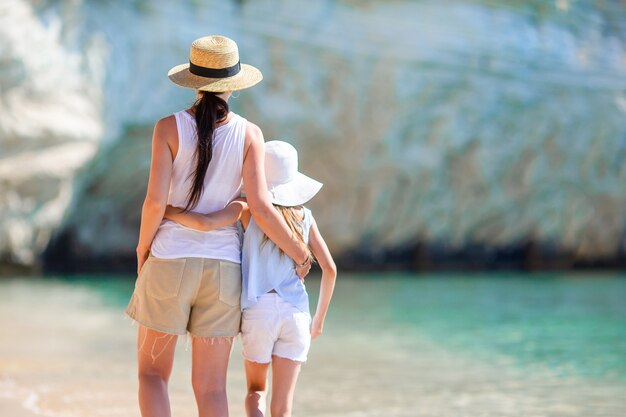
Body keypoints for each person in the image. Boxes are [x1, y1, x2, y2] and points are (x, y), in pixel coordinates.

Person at [125, 36, 311, 417]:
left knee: (152, 376)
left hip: (169, 260)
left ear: (193, 80)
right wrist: (299, 252)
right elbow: (260, 206)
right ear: (233, 83)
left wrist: (143, 250)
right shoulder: (250, 134)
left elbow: (155, 203)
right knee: (211, 389)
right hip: (225, 270)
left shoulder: (167, 128)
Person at [164, 140, 337, 417]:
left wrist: (168, 210)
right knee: (282, 409)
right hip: (296, 314)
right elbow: (330, 269)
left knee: (256, 392)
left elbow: (206, 223)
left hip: (259, 309)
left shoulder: (247, 208)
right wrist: (318, 322)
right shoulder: (306, 216)